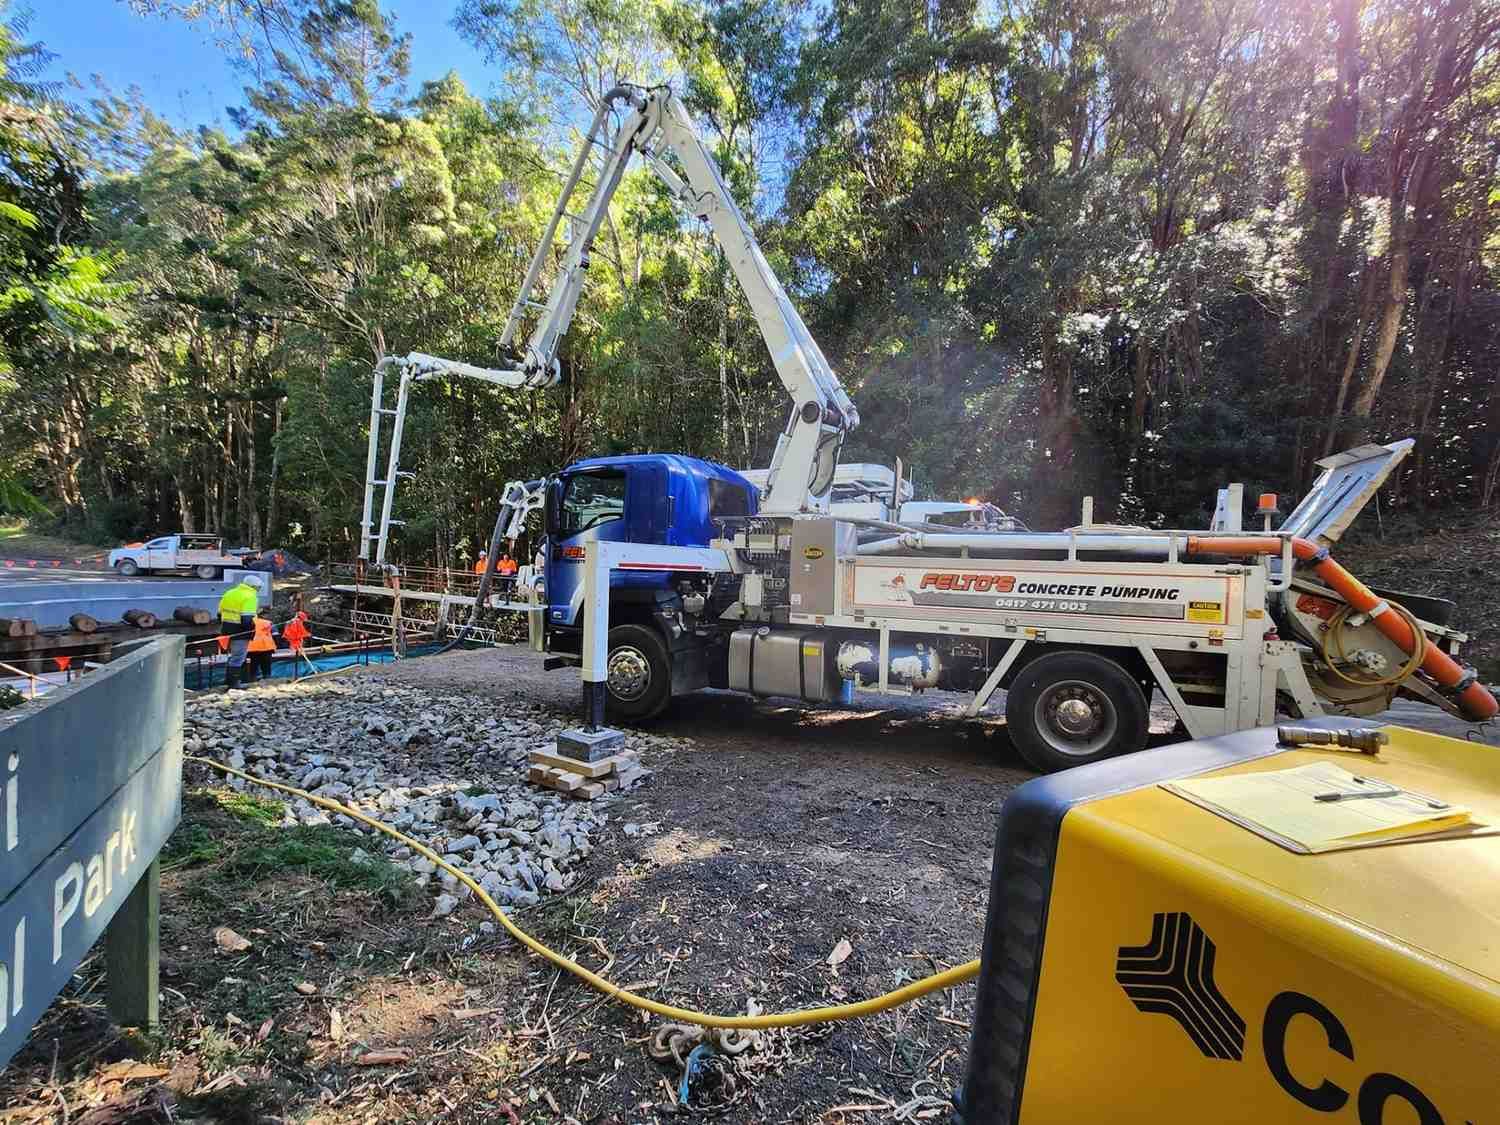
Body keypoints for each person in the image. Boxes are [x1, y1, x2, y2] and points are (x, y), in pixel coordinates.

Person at [217, 573, 264, 690]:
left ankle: (228, 681)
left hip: (227, 628)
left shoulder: (230, 592)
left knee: (233, 656)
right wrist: (249, 631)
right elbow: (247, 619)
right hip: (240, 630)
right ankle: (234, 684)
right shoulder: (250, 596)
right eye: (259, 588)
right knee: (238, 657)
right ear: (254, 587)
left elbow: (219, 613)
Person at [242, 610, 278, 685]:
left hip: (253, 647)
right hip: (266, 647)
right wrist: (276, 645)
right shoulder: (268, 623)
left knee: (254, 664)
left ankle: (253, 679)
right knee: (266, 664)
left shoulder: (248, 623)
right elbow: (275, 634)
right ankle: (267, 679)